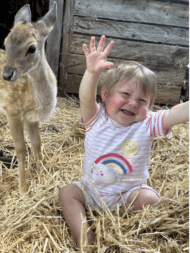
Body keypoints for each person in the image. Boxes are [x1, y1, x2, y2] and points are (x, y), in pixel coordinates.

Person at [58, 35, 189, 249]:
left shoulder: (147, 124)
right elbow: (85, 97)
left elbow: (176, 113)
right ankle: (85, 237)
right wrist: (92, 72)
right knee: (67, 193)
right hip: (91, 191)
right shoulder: (95, 118)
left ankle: (127, 227)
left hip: (127, 195)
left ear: (150, 106)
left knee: (151, 199)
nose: (133, 103)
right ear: (106, 94)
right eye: (126, 94)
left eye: (142, 100)